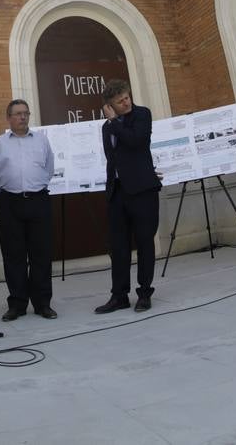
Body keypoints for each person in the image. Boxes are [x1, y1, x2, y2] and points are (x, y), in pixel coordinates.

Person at [95, 79, 163, 314]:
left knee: (145, 242)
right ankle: (119, 295)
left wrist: (115, 122)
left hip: (142, 190)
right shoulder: (107, 127)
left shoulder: (142, 115)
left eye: (127, 97)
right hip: (117, 192)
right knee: (118, 247)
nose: (126, 102)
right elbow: (112, 158)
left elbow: (136, 141)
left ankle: (144, 293)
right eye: (120, 101)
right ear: (110, 105)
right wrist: (113, 123)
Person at [0, 99, 56, 321]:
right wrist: (7, 192)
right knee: (13, 256)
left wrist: (35, 187)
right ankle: (17, 304)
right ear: (9, 118)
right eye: (18, 114)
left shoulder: (42, 140)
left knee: (41, 255)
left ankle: (42, 304)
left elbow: (49, 169)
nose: (23, 117)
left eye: (26, 113)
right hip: (10, 203)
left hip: (38, 201)